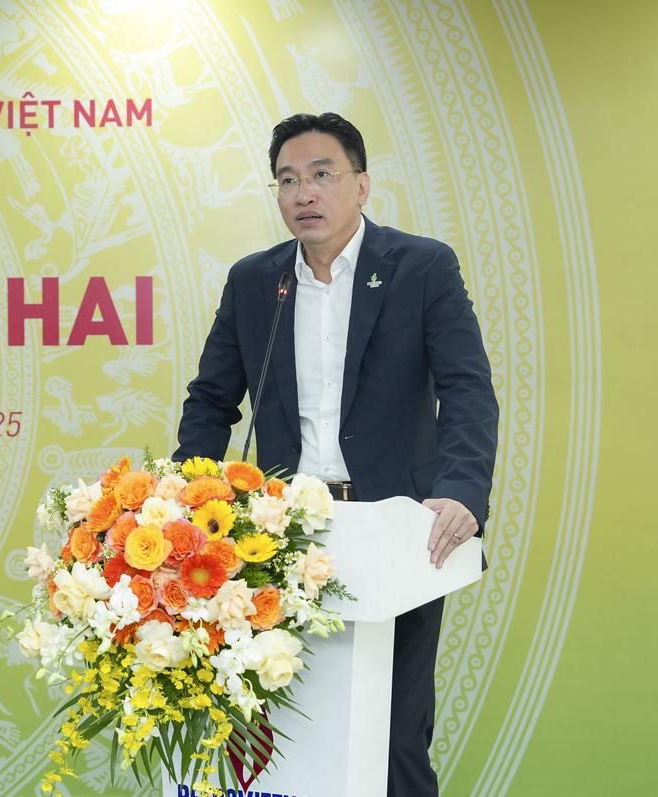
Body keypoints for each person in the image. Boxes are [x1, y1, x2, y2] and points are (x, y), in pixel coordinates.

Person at [173, 112, 498, 796]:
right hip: (279, 537)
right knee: (278, 738)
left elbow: (467, 388)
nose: (305, 193)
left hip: (395, 531)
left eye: (322, 174)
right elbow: (210, 401)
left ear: (361, 185)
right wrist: (183, 504)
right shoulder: (255, 281)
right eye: (288, 180)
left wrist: (462, 491)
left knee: (392, 736)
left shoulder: (420, 267)